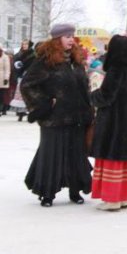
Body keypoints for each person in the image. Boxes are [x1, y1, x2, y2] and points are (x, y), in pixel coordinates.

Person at [20, 23, 94, 207]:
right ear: (56, 39)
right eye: (67, 36)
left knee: (76, 155)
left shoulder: (76, 61)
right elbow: (27, 85)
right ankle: (47, 193)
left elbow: (83, 87)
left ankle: (75, 190)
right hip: (54, 118)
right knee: (51, 155)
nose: (71, 39)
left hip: (77, 117)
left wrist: (89, 109)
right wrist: (44, 103)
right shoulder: (46, 61)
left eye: (72, 36)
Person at [89, 35, 127, 211]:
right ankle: (123, 196)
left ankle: (112, 198)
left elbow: (106, 96)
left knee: (113, 156)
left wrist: (91, 95)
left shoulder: (116, 69)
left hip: (114, 122)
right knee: (125, 157)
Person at [10, 40, 36, 121]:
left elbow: (34, 65)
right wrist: (17, 65)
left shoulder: (33, 54)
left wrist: (27, 70)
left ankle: (30, 112)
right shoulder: (20, 53)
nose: (24, 45)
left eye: (26, 44)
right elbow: (15, 61)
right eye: (23, 44)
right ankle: (20, 113)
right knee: (20, 94)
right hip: (21, 76)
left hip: (29, 76)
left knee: (28, 94)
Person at [0, 46, 12, 116]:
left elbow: (7, 69)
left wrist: (6, 78)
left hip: (2, 78)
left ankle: (1, 109)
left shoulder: (5, 57)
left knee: (1, 95)